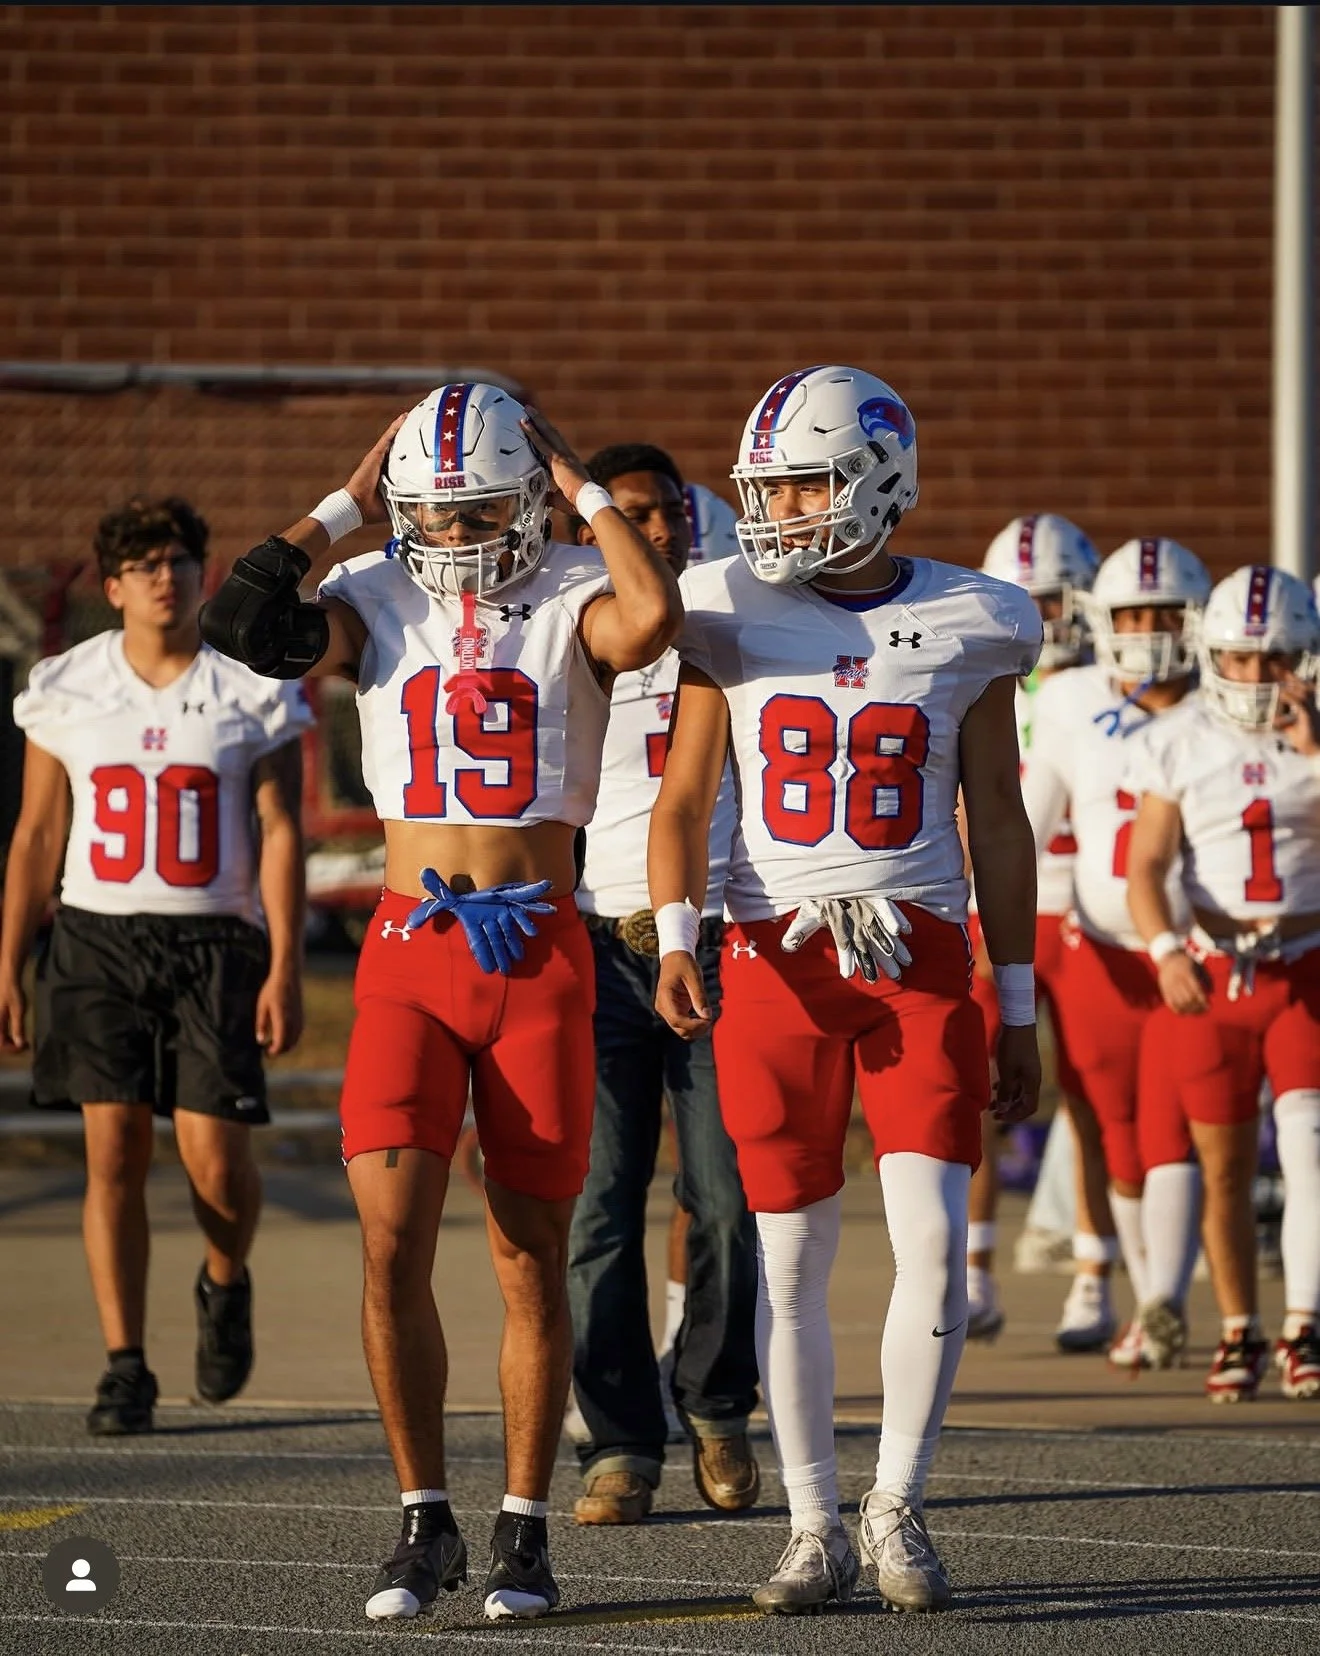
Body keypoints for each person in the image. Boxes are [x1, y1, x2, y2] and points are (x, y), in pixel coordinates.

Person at [198, 384, 682, 1623]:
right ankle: (423, 1520)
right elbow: (240, 620)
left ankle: (522, 1529)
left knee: (529, 1258)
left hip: (537, 953)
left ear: (526, 498)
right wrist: (344, 505)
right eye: (432, 513)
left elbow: (655, 613)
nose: (456, 538)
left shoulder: (578, 585)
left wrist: (581, 485)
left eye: (477, 512)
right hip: (412, 956)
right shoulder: (371, 588)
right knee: (391, 1242)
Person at [649, 365, 1043, 1614]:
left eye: (806, 482)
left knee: (930, 1243)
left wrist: (1020, 1003)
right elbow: (684, 795)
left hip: (918, 958)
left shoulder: (980, 617)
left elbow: (1002, 820)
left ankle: (898, 1506)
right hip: (773, 956)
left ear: (881, 476)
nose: (779, 511)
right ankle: (814, 1522)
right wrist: (675, 936)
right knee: (785, 1261)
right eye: (767, 487)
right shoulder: (724, 609)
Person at [0, 497, 310, 1434]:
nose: (163, 578)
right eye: (143, 565)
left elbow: (281, 829)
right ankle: (124, 1362)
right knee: (114, 1153)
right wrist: (11, 960)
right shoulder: (67, 684)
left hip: (214, 937)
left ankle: (224, 1281)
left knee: (215, 1157)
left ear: (200, 572)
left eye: (178, 561)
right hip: (98, 936)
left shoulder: (250, 684)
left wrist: (286, 960)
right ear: (112, 586)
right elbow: (37, 834)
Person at [567, 443, 759, 1526]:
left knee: (726, 1200)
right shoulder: (568, 625)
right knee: (599, 1206)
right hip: (598, 942)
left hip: (725, 935)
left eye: (668, 511)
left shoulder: (735, 612)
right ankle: (621, 1440)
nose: (655, 529)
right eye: (628, 512)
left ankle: (720, 1411)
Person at [1125, 565, 1320, 1401]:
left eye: (1272, 658)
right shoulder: (1180, 737)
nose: (1253, 676)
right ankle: (1238, 1328)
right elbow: (1148, 864)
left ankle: (1304, 1324)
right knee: (1226, 1166)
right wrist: (1166, 947)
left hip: (1305, 964)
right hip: (1214, 971)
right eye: (1238, 658)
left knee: (1311, 1150)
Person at [1018, 538, 1212, 1369]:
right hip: (1100, 945)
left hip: (1203, 950)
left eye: (1165, 612)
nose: (1148, 630)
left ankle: (1172, 1300)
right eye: (1132, 613)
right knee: (1122, 1133)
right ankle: (1150, 1298)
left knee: (1183, 1132)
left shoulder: (1233, 698)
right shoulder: (1066, 697)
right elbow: (1023, 822)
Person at [965, 514, 1112, 1347]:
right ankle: (975, 1271)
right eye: (1026, 601)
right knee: (976, 1093)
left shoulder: (1099, 695)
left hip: (1086, 911)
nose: (1043, 620)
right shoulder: (977, 676)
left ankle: (1094, 1273)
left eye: (1055, 602)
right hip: (997, 909)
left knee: (1092, 1096)